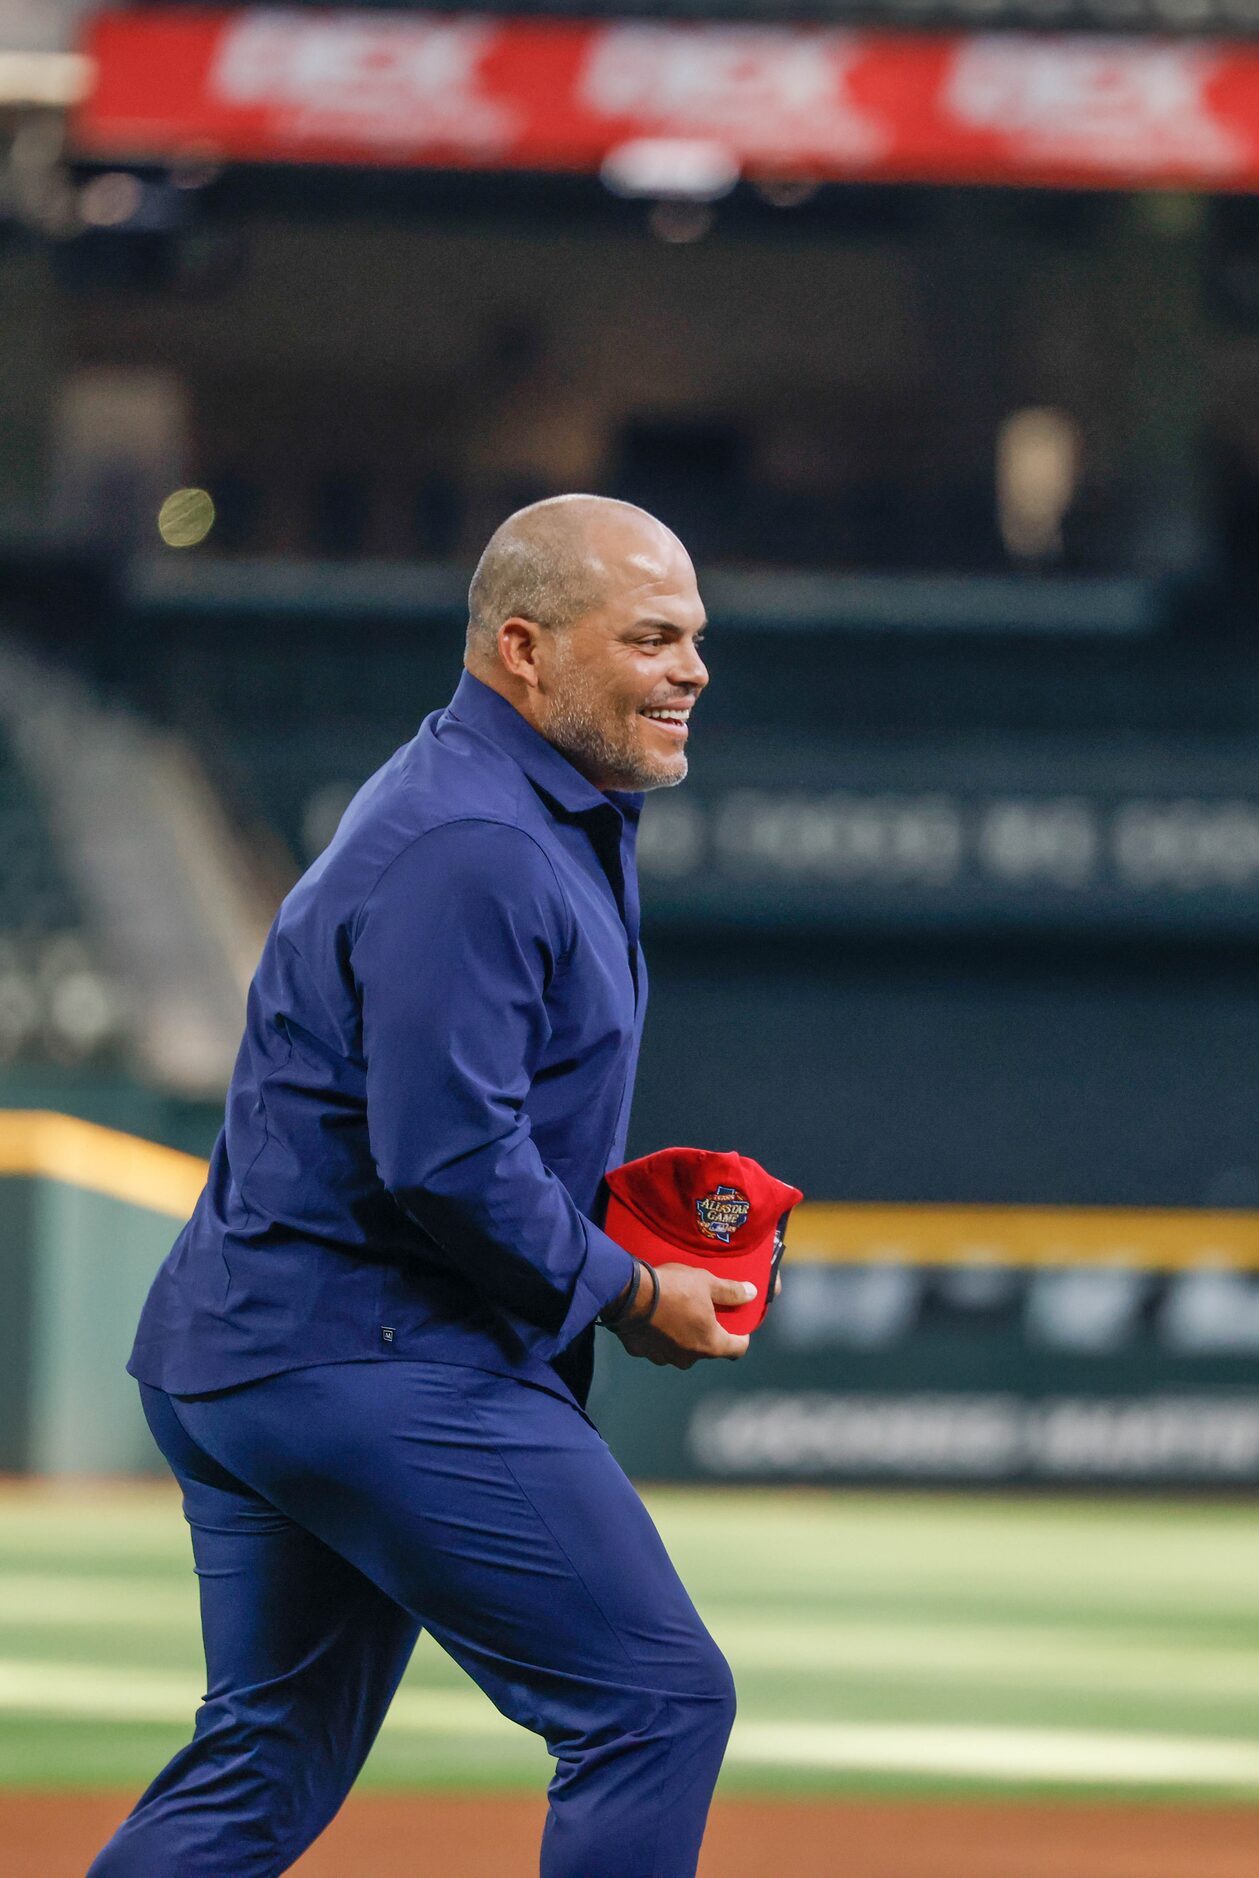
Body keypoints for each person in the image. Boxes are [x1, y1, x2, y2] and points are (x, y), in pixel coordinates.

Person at [93, 496, 758, 1878]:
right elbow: (447, 1158)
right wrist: (628, 1284)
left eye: (694, 634)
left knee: (262, 1763)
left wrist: (591, 1205)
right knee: (655, 1701)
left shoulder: (509, 797)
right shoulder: (479, 840)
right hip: (376, 1354)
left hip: (267, 1343)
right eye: (649, 636)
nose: (692, 666)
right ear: (523, 648)